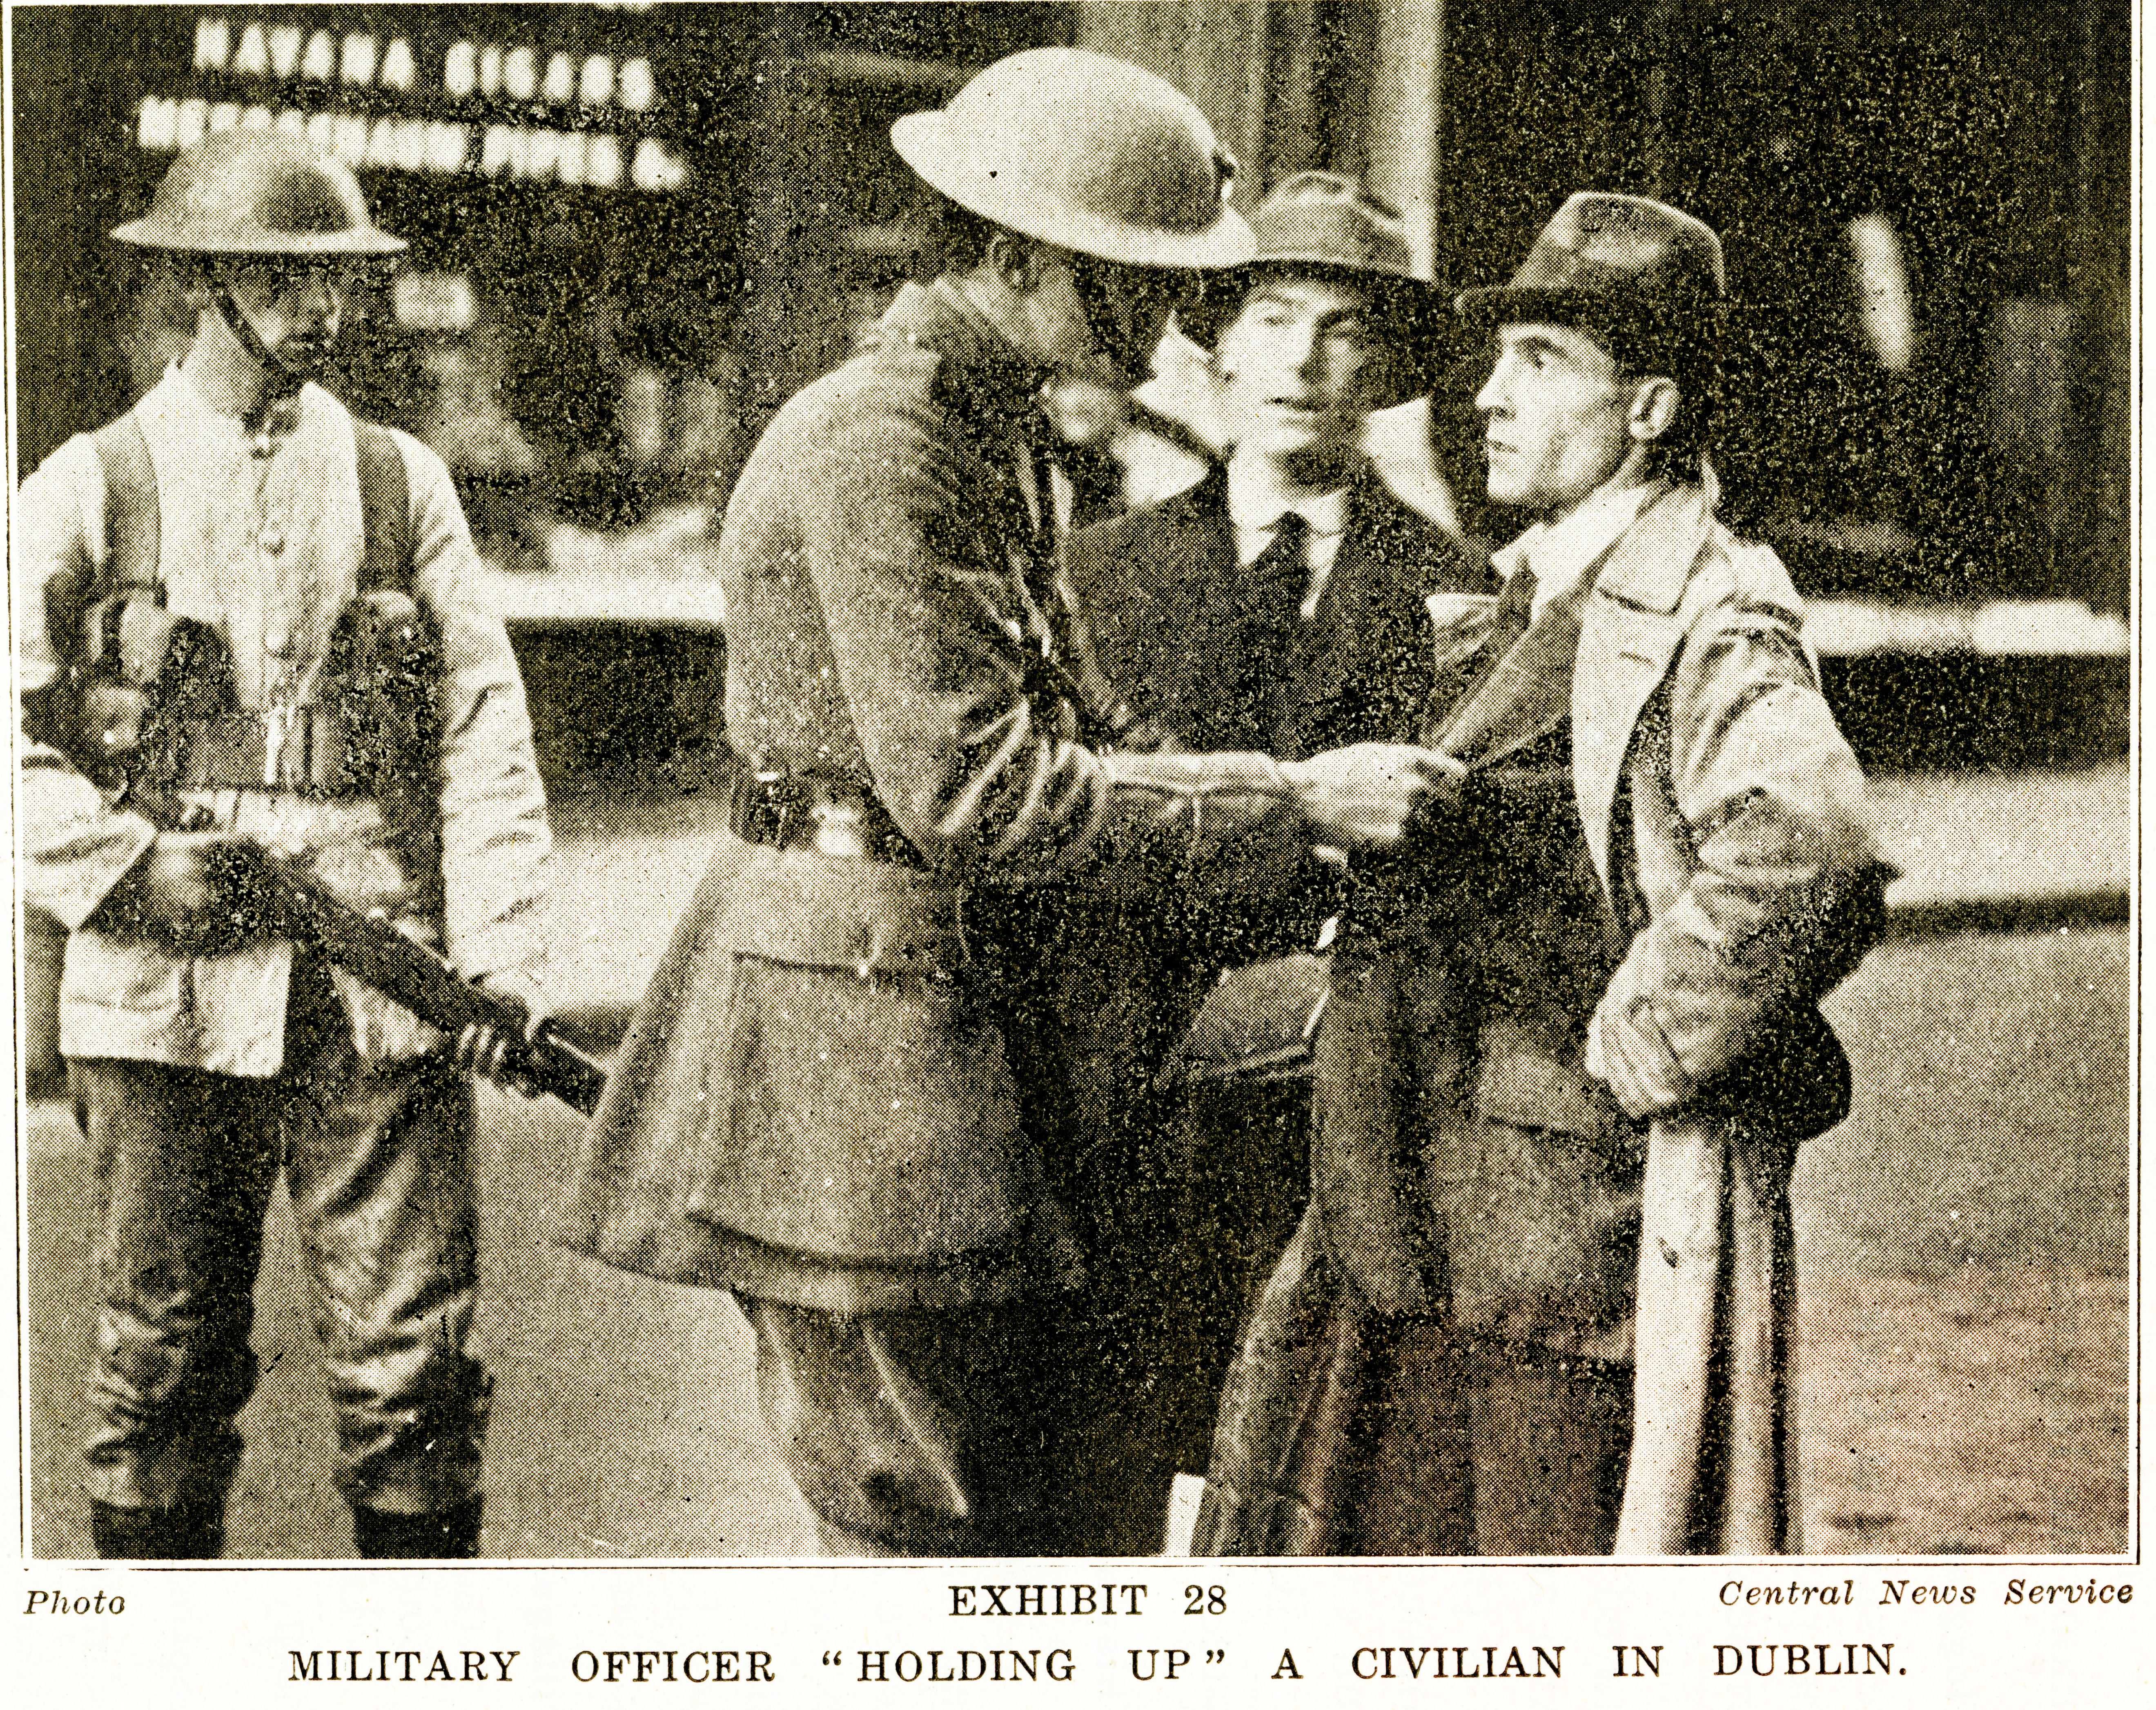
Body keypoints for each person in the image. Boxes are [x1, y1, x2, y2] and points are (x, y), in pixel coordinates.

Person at [556, 49, 1457, 1559]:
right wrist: (1297, 797)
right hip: (852, 1022)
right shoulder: (885, 439)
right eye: (1137, 286)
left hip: (916, 1006)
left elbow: (1087, 720)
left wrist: (1289, 828)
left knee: (980, 1490)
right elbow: (985, 789)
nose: (1169, 330)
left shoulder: (990, 431)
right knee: (913, 1510)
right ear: (1024, 257)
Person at [1195, 192, 1896, 1556]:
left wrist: (1640, 1042)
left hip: (1552, 1243)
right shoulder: (1536, 589)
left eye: (1542, 361)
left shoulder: (1705, 601)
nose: (1492, 394)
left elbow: (1813, 840)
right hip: (1425, 1206)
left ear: (1647, 410)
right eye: (1498, 354)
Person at [16, 130, 552, 1559]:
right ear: (204, 280)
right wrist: (126, 866)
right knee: (159, 1369)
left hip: (376, 986)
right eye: (281, 278)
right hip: (162, 985)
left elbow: (483, 729)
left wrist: (498, 964)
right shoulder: (91, 482)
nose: (321, 311)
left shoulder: (399, 481)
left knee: (416, 1378)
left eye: (339, 282)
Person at [1051, 172, 1493, 1550]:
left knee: (1304, 1518)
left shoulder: (1460, 600)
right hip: (1116, 1120)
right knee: (1095, 1512)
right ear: (1219, 345)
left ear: (1392, 370)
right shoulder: (1091, 574)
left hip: (1324, 1137)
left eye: (1345, 330)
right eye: (1274, 317)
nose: (1303, 361)